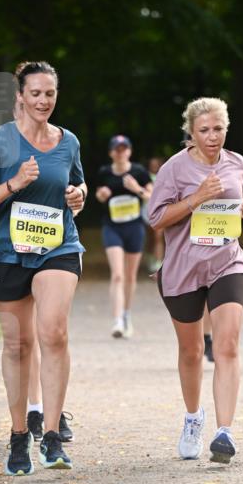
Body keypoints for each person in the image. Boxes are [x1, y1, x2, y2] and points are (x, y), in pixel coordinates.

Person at [0, 60, 86, 474]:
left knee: (53, 331)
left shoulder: (69, 141)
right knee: (18, 346)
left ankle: (52, 435)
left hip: (57, 247)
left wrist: (78, 195)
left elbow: (77, 183)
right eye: (35, 93)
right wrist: (13, 183)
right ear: (20, 96)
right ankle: (19, 436)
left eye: (49, 93)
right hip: (8, 252)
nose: (43, 100)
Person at [148, 96, 243, 464]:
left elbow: (235, 204)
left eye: (218, 129)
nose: (213, 137)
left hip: (227, 261)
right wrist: (196, 198)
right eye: (204, 131)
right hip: (183, 267)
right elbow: (157, 219)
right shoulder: (174, 169)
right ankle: (194, 418)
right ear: (191, 133)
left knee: (226, 345)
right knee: (192, 351)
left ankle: (224, 432)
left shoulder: (237, 162)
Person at [95, 135, 152, 338]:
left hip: (134, 228)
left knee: (129, 276)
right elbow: (99, 194)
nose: (120, 152)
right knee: (117, 274)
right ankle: (117, 320)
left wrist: (136, 189)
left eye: (124, 148)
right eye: (117, 149)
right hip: (112, 228)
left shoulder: (139, 172)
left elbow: (152, 197)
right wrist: (101, 195)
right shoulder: (104, 172)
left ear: (129, 151)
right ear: (111, 153)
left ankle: (127, 314)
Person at [143, 155, 165, 270]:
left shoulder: (165, 177)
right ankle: (151, 257)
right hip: (147, 212)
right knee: (150, 238)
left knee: (158, 238)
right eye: (152, 164)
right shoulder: (145, 177)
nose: (154, 166)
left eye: (156, 164)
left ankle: (158, 262)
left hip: (160, 211)